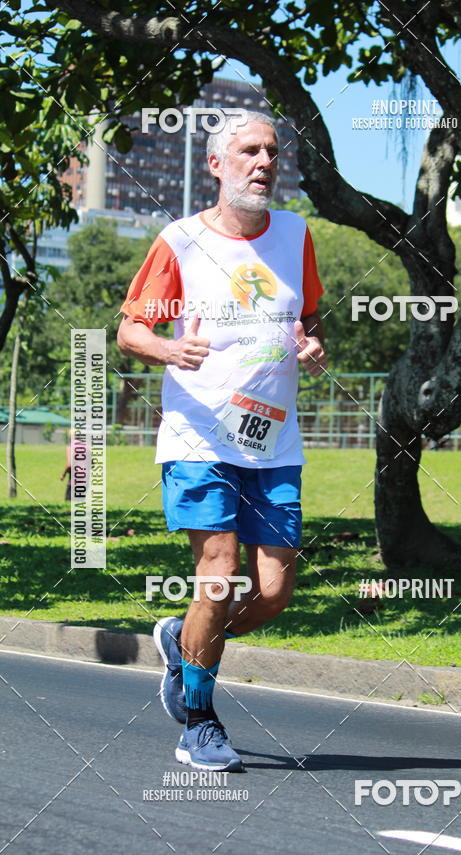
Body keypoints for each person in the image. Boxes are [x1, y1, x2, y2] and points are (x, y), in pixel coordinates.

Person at [117, 110, 326, 772]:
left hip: (272, 441)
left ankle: (185, 640)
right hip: (199, 434)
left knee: (272, 592)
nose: (264, 162)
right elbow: (129, 331)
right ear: (217, 165)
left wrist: (314, 346)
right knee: (217, 575)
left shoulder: (296, 235)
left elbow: (308, 321)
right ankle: (199, 722)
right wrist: (169, 347)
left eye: (272, 151)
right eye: (248, 151)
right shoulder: (178, 241)